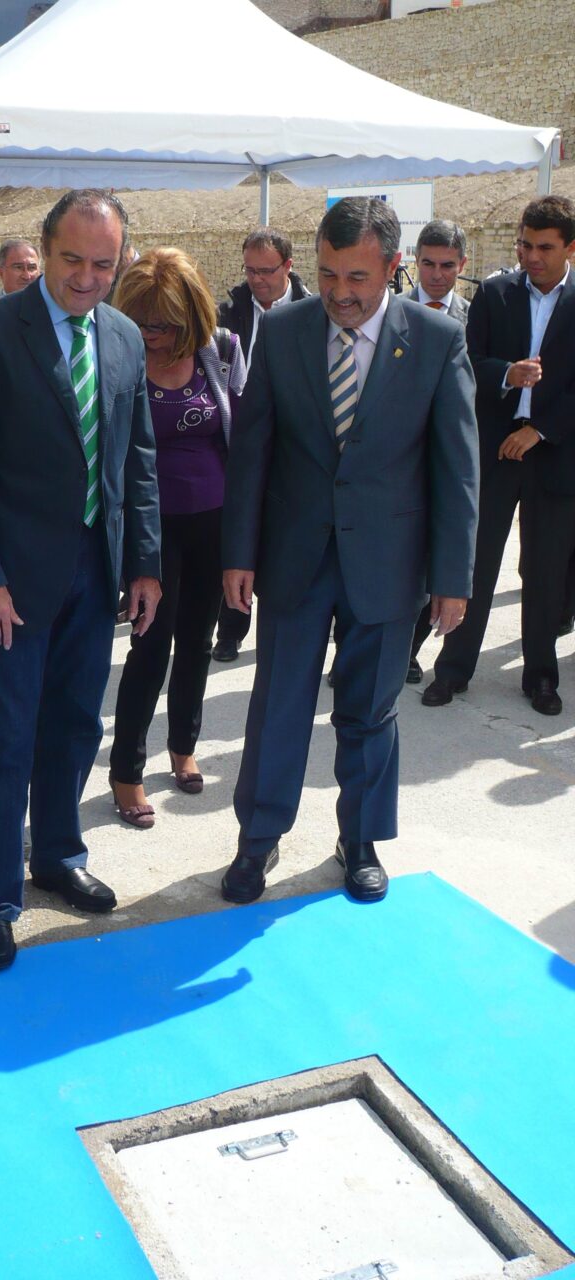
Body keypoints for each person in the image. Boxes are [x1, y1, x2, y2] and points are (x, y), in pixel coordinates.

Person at [219, 197, 478, 907]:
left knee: (369, 711)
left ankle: (359, 841)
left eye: (358, 277)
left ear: (392, 267)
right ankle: (258, 837)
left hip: (389, 564)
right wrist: (238, 553)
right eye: (329, 274)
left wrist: (452, 577)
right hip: (295, 560)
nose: (340, 292)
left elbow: (456, 469)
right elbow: (252, 451)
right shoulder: (283, 330)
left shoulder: (436, 341)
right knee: (278, 707)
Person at [0, 189, 161, 973]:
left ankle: (59, 857)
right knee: (1, 741)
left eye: (104, 263)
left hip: (95, 577)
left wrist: (145, 562)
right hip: (12, 588)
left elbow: (138, 458)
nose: (87, 278)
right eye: (72, 260)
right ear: (44, 247)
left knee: (74, 726)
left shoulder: (123, 336)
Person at [422, 195, 575, 717]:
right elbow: (467, 362)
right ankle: (453, 669)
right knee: (476, 564)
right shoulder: (494, 292)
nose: (532, 256)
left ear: (570, 248)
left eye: (544, 248)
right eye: (525, 245)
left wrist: (541, 431)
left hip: (554, 454)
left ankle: (541, 676)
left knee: (545, 572)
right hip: (494, 451)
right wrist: (506, 374)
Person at [108, 248, 245, 828]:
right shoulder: (119, 356)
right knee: (149, 646)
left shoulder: (222, 351)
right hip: (150, 528)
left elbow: (244, 437)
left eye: (162, 325)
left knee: (197, 641)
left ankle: (184, 746)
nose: (150, 335)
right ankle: (126, 769)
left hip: (213, 521)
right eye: (140, 322)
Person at [213, 227, 311, 663]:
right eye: (250, 270)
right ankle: (230, 629)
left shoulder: (312, 313)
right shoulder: (228, 313)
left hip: (292, 447)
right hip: (237, 443)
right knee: (237, 537)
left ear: (288, 266)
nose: (257, 280)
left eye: (266, 271)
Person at [404, 219, 470, 685]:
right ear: (415, 261)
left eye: (447, 265)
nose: (436, 274)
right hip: (399, 460)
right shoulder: (391, 312)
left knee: (436, 559)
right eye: (428, 263)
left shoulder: (475, 317)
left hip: (445, 460)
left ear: (462, 265)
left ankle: (409, 648)